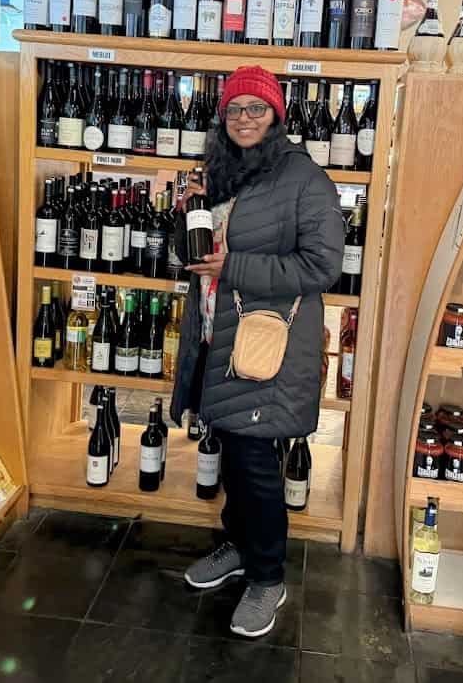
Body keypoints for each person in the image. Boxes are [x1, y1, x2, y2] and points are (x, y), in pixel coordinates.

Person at [170, 64, 344, 638]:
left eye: (257, 109)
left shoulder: (303, 180)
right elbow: (192, 257)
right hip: (217, 333)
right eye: (235, 109)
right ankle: (241, 548)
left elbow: (322, 266)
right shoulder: (222, 173)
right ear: (224, 118)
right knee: (238, 459)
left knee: (256, 465)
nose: (245, 119)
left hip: (269, 341)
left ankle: (268, 577)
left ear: (276, 116)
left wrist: (235, 265)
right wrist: (187, 211)